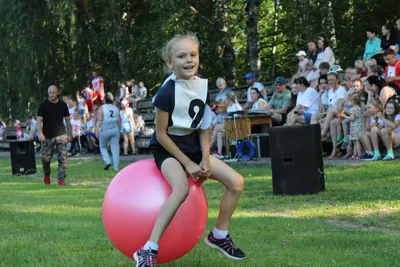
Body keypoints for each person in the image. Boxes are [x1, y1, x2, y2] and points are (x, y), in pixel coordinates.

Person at [135, 33, 245, 266]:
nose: (188, 60)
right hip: (168, 149)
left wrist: (205, 158)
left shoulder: (201, 87)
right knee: (182, 188)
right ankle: (148, 249)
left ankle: (219, 235)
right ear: (170, 62)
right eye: (181, 56)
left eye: (193, 55)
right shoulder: (166, 92)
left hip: (194, 146)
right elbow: (162, 134)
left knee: (236, 182)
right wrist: (187, 163)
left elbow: (204, 128)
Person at [37, 85, 72, 185]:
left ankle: (61, 180)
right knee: (45, 159)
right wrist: (40, 133)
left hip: (61, 135)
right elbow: (39, 121)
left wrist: (70, 134)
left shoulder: (63, 105)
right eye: (50, 93)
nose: (51, 94)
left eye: (53, 92)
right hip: (47, 136)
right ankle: (47, 174)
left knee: (63, 159)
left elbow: (68, 121)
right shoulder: (43, 105)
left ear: (58, 93)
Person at [96, 92, 120, 170]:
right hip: (115, 127)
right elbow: (119, 120)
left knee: (102, 146)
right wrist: (119, 129)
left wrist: (97, 130)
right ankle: (116, 167)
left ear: (104, 100)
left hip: (105, 127)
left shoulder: (102, 108)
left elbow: (99, 120)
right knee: (115, 148)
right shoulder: (116, 108)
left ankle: (107, 161)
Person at [341, 94, 365, 160]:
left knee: (356, 142)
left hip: (356, 127)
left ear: (353, 101)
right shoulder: (358, 108)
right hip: (356, 126)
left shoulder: (354, 109)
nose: (347, 102)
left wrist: (344, 116)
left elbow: (352, 118)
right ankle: (355, 154)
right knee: (354, 141)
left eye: (349, 101)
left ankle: (359, 154)